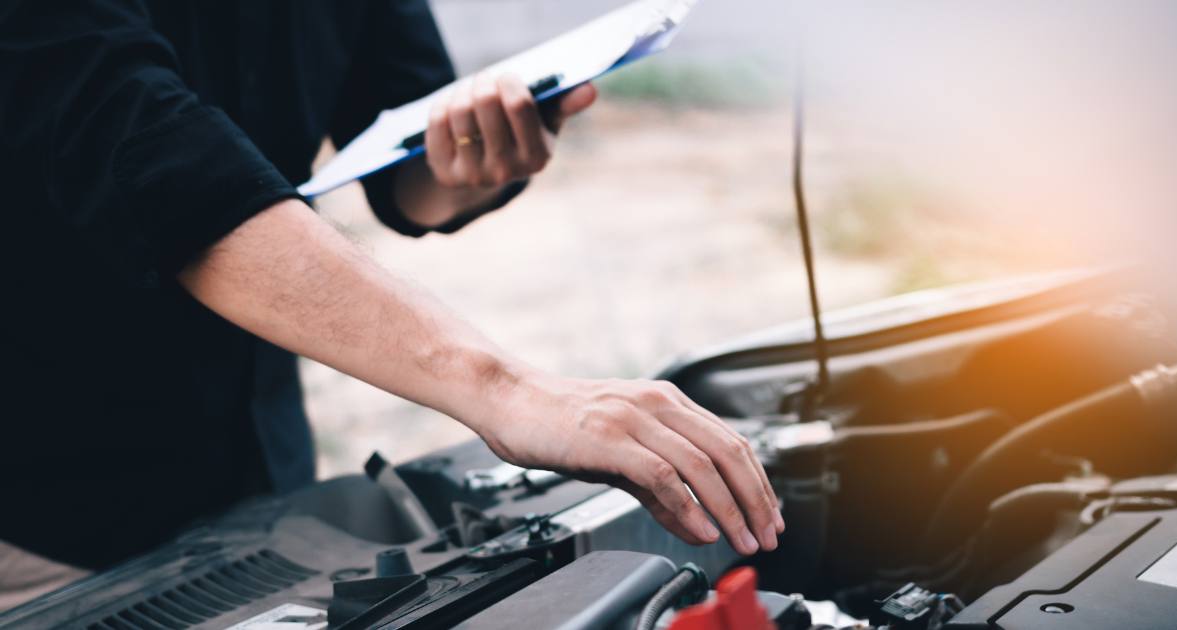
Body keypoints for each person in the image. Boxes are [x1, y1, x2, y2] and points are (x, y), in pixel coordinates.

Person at [0, 0, 783, 608]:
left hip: (261, 475)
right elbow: (147, 156)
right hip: (46, 517)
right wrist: (506, 390)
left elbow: (408, 171)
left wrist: (481, 158)